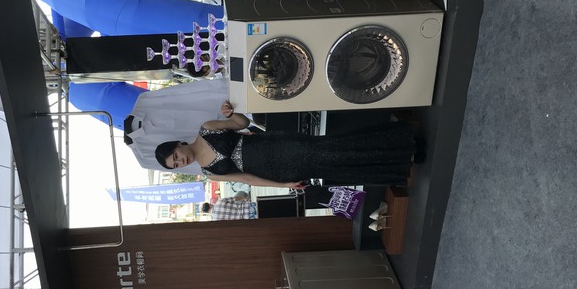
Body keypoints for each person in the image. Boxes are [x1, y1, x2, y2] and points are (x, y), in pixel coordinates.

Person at [155, 102, 421, 188]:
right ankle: (399, 162)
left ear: (178, 144)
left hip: (278, 145)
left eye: (176, 156)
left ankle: (401, 143)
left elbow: (241, 123)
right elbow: (247, 179)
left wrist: (230, 114)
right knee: (332, 168)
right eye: (176, 165)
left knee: (332, 149)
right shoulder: (209, 174)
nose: (181, 161)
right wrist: (283, 186)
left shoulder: (206, 129)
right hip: (277, 171)